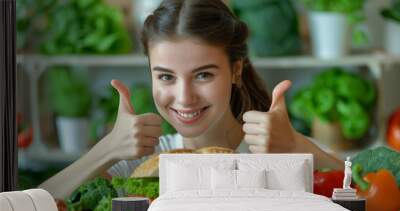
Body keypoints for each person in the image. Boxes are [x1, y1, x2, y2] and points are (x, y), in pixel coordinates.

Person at [40, 0, 343, 199]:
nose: (184, 98)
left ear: (235, 71)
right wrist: (106, 150)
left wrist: (298, 148)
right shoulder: (144, 162)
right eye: (166, 77)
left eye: (203, 75)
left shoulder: (282, 148)